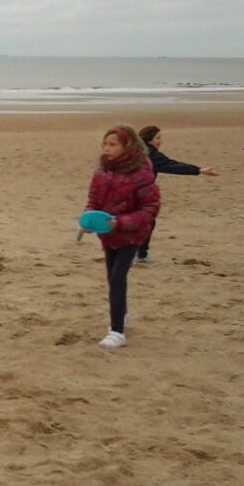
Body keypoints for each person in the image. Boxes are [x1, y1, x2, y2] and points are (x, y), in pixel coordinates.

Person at [82, 126, 160, 348]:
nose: (107, 148)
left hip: (132, 235)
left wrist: (121, 222)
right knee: (112, 277)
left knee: (117, 277)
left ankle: (117, 331)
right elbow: (93, 200)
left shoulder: (142, 174)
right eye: (105, 144)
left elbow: (150, 209)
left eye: (113, 144)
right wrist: (88, 220)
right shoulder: (101, 173)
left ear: (128, 146)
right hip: (108, 235)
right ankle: (122, 313)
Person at [134, 125, 219, 264]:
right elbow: (173, 166)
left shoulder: (134, 152)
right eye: (157, 138)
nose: (160, 141)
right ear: (149, 140)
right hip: (137, 194)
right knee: (145, 222)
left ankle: (135, 254)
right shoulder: (151, 155)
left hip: (126, 192)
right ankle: (139, 256)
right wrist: (198, 170)